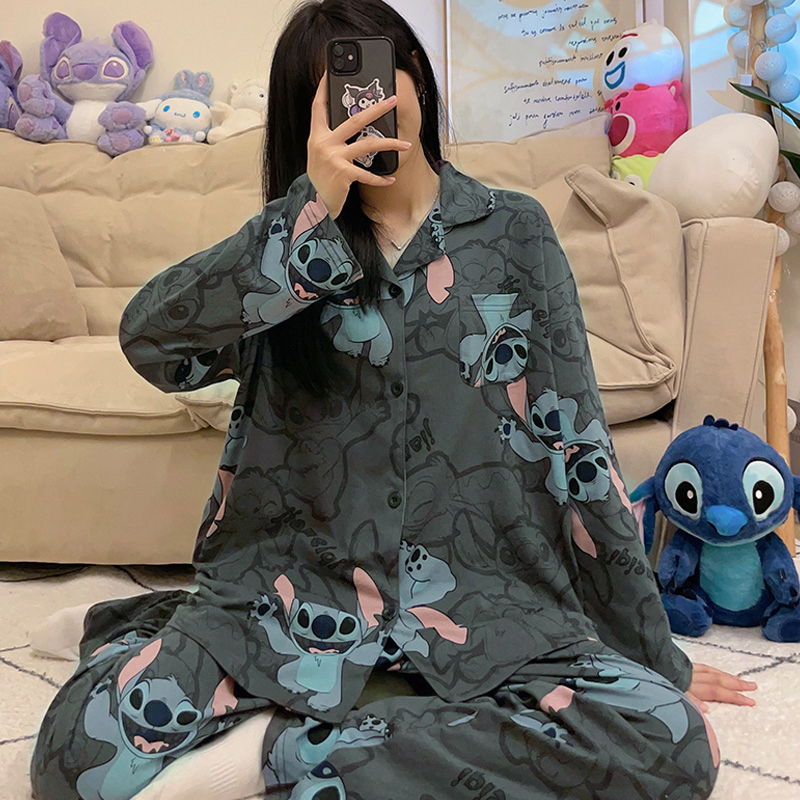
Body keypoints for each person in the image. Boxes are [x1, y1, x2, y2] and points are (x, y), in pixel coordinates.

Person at [29, 2, 756, 799]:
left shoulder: (515, 233)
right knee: (74, 763)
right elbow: (153, 345)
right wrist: (308, 209)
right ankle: (184, 646)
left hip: (490, 606)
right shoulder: (285, 249)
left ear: (416, 76)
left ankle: (278, 754)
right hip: (291, 602)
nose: (366, 104)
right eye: (334, 93)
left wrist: (652, 652)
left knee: (673, 745)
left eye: (379, 76)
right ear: (304, 120)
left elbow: (580, 449)